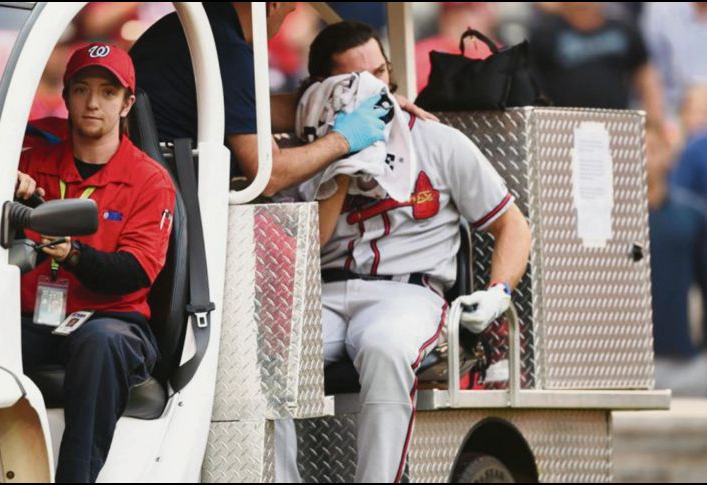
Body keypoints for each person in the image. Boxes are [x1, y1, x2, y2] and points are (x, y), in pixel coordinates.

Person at [276, 21, 532, 483]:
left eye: (380, 76)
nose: (376, 94)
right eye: (356, 85)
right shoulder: (305, 151)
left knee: (385, 346)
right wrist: (343, 156)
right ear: (323, 89)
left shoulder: (436, 140)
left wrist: (498, 292)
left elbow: (512, 224)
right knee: (269, 352)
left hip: (406, 292)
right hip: (323, 292)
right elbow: (304, 250)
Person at [15, 42, 176, 482]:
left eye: (107, 92)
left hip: (111, 321)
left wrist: (72, 254)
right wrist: (2, 189)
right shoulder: (28, 161)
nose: (92, 103)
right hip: (31, 319)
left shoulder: (150, 180)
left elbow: (134, 273)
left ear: (127, 104)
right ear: (65, 96)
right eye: (81, 89)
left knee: (100, 343)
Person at [130, 3, 433, 196]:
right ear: (272, 4)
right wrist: (344, 138)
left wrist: (370, 100)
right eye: (289, 10)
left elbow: (250, 112)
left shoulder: (202, 30)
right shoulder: (229, 51)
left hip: (156, 183)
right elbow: (268, 173)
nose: (287, 19)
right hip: (175, 198)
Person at [646, 123, 707, 396]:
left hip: (684, 364)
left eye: (652, 149)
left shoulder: (692, 217)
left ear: (669, 155)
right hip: (625, 366)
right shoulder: (605, 224)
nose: (645, 158)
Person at [529, 3, 664, 126]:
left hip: (616, 125)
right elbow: (535, 88)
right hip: (565, 128)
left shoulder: (623, 29)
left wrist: (653, 121)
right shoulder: (545, 34)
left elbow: (645, 75)